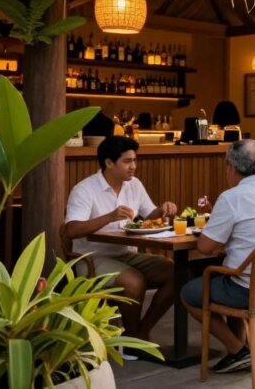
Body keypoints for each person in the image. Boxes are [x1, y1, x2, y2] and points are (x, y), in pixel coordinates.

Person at [181, 139, 255, 374]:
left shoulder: (231, 197)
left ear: (231, 168)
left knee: (189, 293)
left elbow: (204, 247)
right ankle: (241, 350)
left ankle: (238, 350)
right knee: (230, 274)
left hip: (251, 290)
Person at [64, 136, 178, 343]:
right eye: (127, 161)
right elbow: (71, 230)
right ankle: (134, 337)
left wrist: (162, 210)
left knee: (176, 272)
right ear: (109, 163)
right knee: (133, 281)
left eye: (135, 160)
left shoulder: (134, 185)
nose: (133, 166)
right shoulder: (84, 190)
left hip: (126, 253)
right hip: (90, 258)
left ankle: (140, 332)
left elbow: (149, 214)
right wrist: (109, 216)